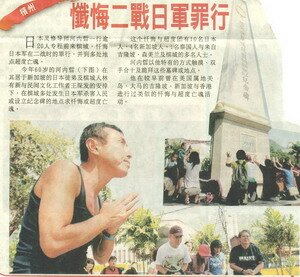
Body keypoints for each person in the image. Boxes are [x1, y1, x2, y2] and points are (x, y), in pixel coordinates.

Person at [12, 122, 139, 274]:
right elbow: (52, 244)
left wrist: (110, 231)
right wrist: (104, 219)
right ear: (93, 146)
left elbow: (101, 257)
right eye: (121, 143)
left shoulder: (99, 200)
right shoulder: (64, 171)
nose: (130, 153)